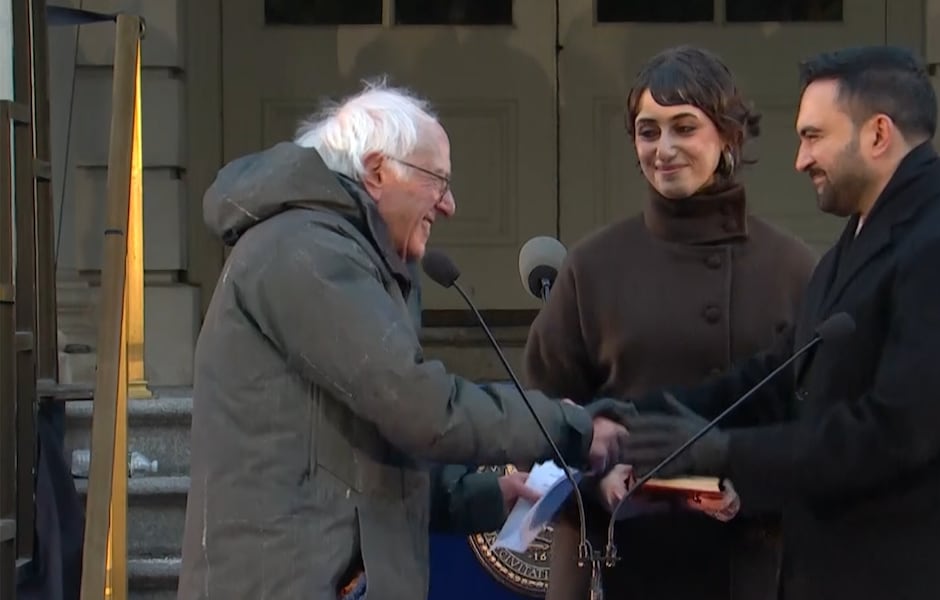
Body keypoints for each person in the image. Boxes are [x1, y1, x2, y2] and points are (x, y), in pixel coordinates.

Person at [176, 79, 630, 600]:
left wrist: (482, 496)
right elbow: (418, 407)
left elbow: (349, 461)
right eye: (438, 180)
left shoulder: (339, 250)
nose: (450, 205)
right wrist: (569, 425)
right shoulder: (305, 250)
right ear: (376, 172)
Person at [619, 46, 940, 600]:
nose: (800, 159)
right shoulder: (864, 235)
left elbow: (894, 434)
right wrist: (636, 418)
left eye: (814, 136)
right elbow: (781, 376)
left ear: (878, 134)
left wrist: (723, 453)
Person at [524, 46, 817, 600]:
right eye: (648, 131)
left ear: (728, 136)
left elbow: (819, 422)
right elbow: (541, 417)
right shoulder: (593, 265)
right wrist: (595, 480)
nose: (664, 149)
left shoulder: (793, 266)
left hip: (757, 563)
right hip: (624, 561)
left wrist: (752, 483)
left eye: (684, 127)